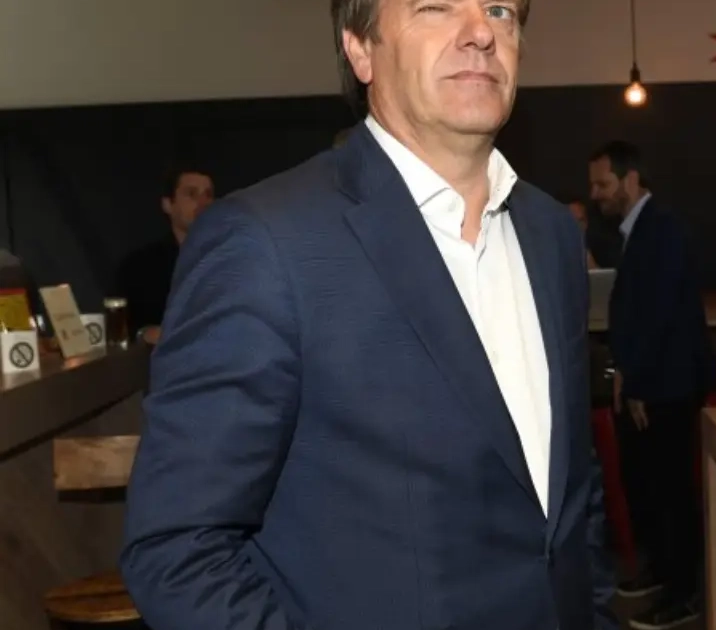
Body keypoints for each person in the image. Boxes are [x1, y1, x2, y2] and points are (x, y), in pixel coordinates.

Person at [120, 1, 616, 629]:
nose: (480, 33)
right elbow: (178, 550)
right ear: (360, 49)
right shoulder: (266, 241)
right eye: (435, 6)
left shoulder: (552, 235)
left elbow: (572, 489)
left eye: (499, 9)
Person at [589, 140, 716, 630]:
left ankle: (684, 594)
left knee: (671, 494)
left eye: (603, 183)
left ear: (630, 180)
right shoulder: (639, 230)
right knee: (649, 488)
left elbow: (660, 313)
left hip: (667, 384)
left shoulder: (661, 228)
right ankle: (663, 572)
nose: (596, 194)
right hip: (650, 380)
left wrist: (637, 383)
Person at [113, 165, 214, 344]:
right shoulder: (140, 266)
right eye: (192, 194)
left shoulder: (233, 258)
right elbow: (119, 327)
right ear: (168, 205)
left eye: (208, 195)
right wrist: (145, 334)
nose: (203, 203)